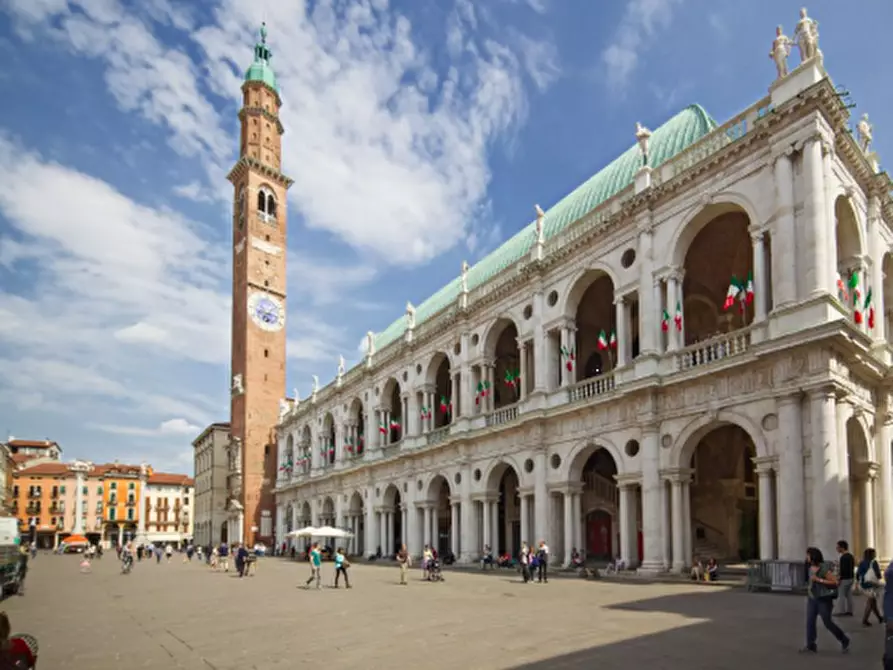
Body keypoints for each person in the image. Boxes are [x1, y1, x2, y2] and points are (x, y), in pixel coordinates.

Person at [800, 546, 850, 654]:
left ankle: (844, 639)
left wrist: (819, 580)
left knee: (827, 622)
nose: (806, 557)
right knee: (810, 621)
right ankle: (810, 645)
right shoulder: (808, 567)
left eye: (808, 555)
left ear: (813, 556)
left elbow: (834, 582)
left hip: (823, 599)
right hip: (812, 598)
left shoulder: (823, 568)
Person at [856, 547, 884, 627]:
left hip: (864, 584)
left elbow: (858, 574)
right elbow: (878, 575)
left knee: (872, 601)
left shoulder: (862, 562)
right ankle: (865, 620)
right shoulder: (874, 562)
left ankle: (879, 618)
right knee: (870, 601)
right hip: (872, 584)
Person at [833, 540, 855, 617]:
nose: (837, 549)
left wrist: (839, 579)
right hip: (851, 578)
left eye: (838, 547)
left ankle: (841, 611)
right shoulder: (851, 556)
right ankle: (850, 611)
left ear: (842, 548)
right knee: (849, 595)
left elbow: (842, 570)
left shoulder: (843, 557)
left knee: (841, 595)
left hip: (844, 579)